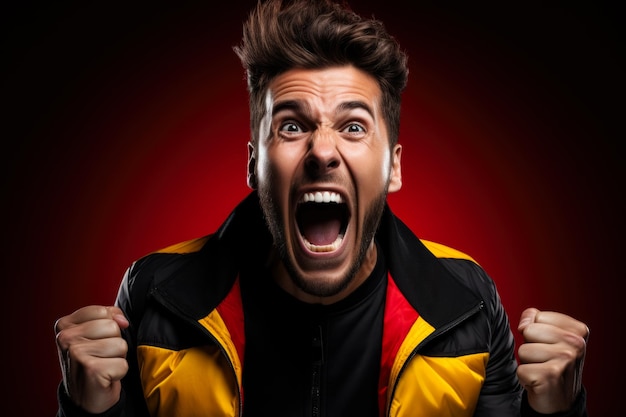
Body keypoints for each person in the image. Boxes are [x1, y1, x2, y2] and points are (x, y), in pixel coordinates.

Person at [54, 0, 590, 416]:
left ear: (394, 167)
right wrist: (86, 410)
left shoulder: (467, 304)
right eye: (292, 125)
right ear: (253, 166)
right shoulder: (157, 295)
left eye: (353, 126)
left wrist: (558, 412)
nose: (323, 151)